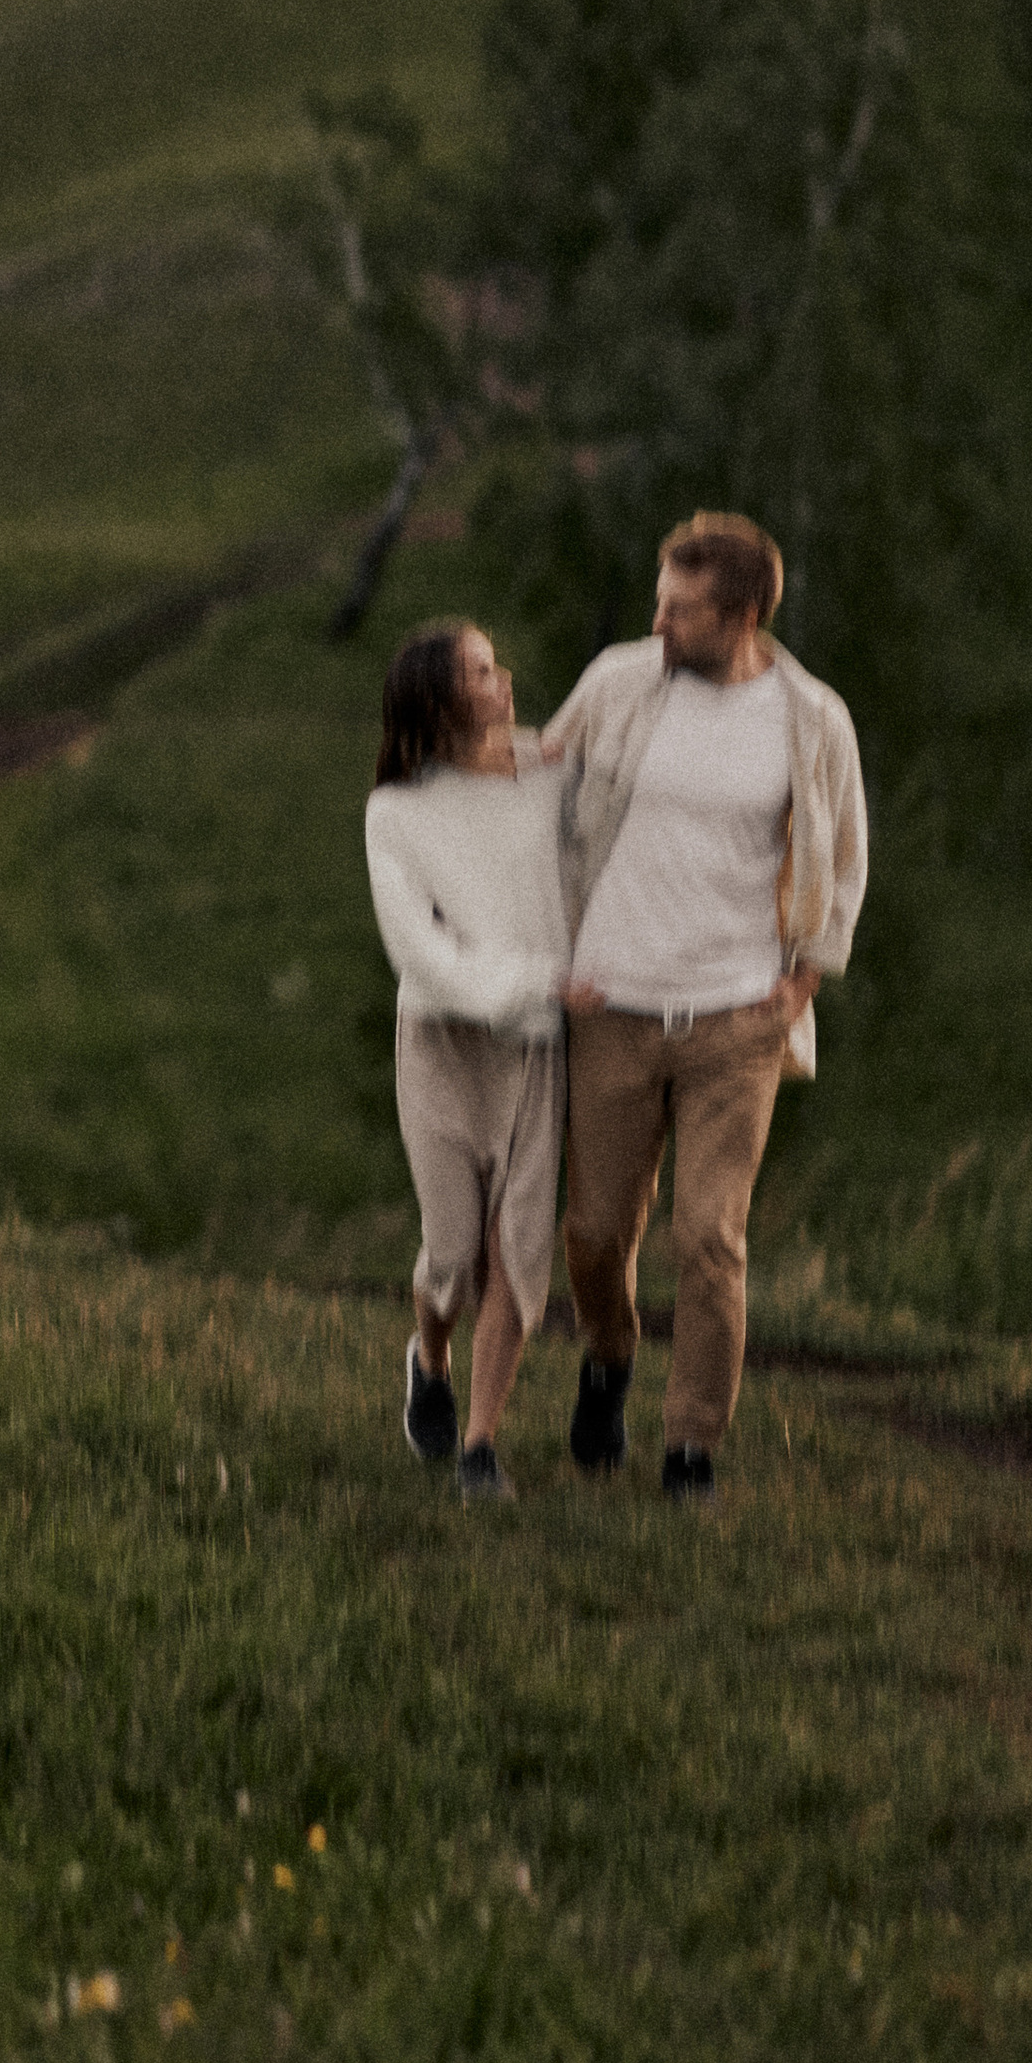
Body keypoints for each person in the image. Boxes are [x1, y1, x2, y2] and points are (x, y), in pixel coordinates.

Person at [543, 510, 866, 1502]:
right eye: (658, 602)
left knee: (710, 1236)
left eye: (679, 610)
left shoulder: (811, 719)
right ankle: (609, 1357)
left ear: (743, 614)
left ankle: (690, 1447)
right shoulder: (617, 681)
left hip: (736, 1015)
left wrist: (801, 981)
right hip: (613, 1001)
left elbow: (843, 856)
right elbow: (537, 784)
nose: (659, 623)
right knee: (596, 1232)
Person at [364, 619, 569, 1501]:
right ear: (444, 701)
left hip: (536, 1045)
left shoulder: (551, 767)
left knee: (516, 1242)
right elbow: (422, 955)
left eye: (495, 663)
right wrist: (544, 978)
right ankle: (430, 1357)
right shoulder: (396, 812)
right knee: (450, 1246)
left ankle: (480, 1445)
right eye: (484, 671)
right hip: (443, 1042)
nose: (506, 678)